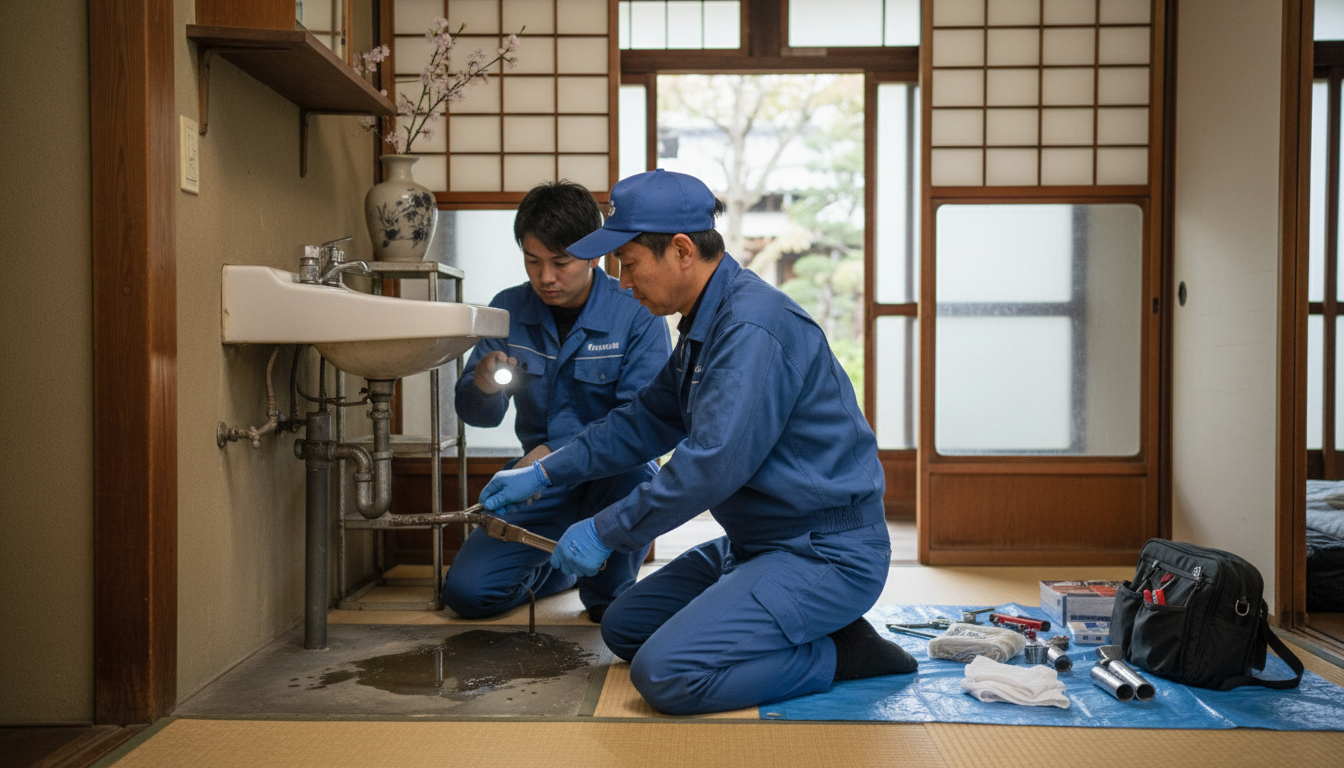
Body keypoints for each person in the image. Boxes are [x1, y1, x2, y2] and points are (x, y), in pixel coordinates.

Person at [477, 169, 916, 716]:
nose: (625, 283)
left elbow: (709, 465)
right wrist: (547, 472)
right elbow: (640, 422)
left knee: (666, 674)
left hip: (822, 551)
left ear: (681, 250)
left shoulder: (751, 328)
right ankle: (776, 616)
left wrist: (604, 529)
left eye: (631, 265)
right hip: (753, 546)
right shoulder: (702, 326)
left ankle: (841, 653)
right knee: (624, 627)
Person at [442, 180, 672, 623]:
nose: (545, 276)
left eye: (560, 262)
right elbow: (476, 415)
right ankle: (555, 569)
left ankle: (596, 577)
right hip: (538, 485)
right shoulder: (507, 310)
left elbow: (641, 423)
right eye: (533, 261)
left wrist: (551, 455)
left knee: (607, 606)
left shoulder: (635, 310)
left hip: (615, 477)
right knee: (467, 595)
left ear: (593, 253)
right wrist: (485, 386)